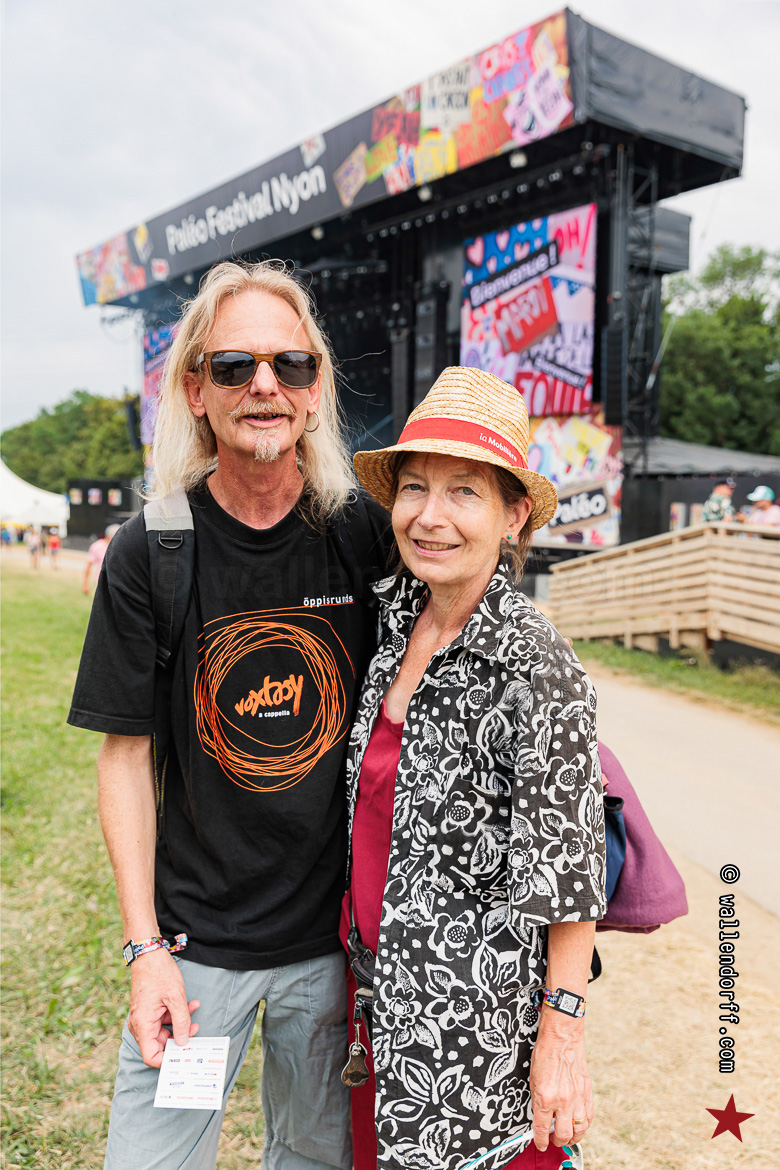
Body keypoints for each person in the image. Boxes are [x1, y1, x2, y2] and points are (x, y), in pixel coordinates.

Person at [67, 260, 391, 1170]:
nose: (264, 385)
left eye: (291, 364)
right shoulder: (152, 550)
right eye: (235, 365)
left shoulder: (362, 536)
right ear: (194, 389)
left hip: (330, 959)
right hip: (195, 958)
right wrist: (145, 952)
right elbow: (125, 758)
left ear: (316, 389)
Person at [342, 367, 607, 1170]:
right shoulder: (394, 624)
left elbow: (569, 873)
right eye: (415, 488)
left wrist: (561, 1037)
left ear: (513, 513)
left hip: (475, 1041)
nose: (430, 516)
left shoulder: (536, 665)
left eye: (464, 492)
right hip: (376, 1008)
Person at [82, 523, 120, 593]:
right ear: (109, 536)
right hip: (101, 583)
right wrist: (85, 584)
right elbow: (89, 565)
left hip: (117, 584)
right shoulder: (97, 546)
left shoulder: (120, 548)